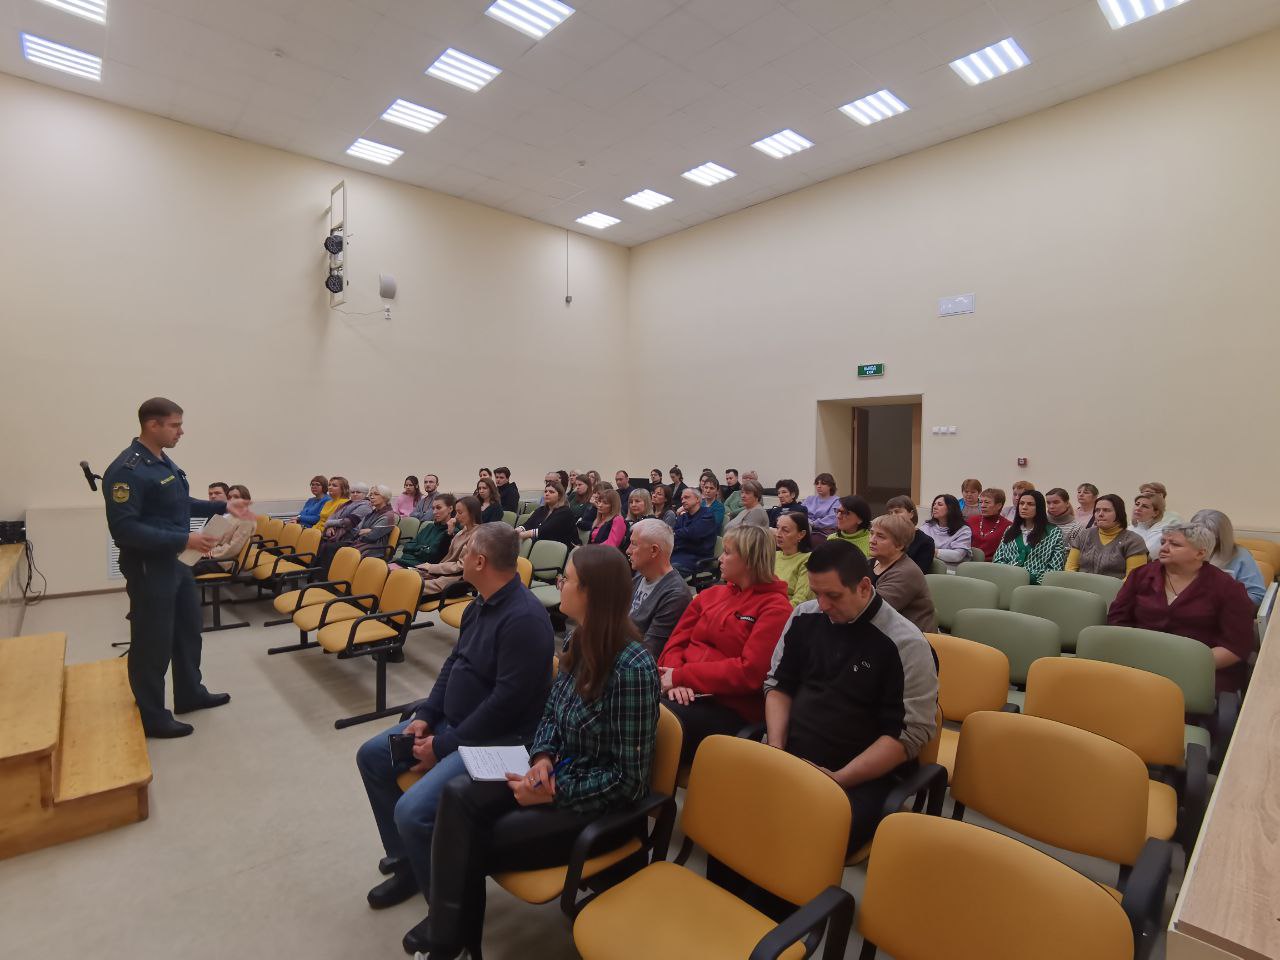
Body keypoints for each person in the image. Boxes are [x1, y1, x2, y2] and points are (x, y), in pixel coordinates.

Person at [413, 545, 659, 958]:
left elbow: (629, 781)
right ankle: (451, 937)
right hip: (556, 771)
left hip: (595, 806)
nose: (560, 585)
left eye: (568, 579)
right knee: (458, 795)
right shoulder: (579, 639)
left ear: (591, 593)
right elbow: (550, 714)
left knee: (473, 839)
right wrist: (542, 757)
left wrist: (555, 792)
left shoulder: (632, 667)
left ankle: (448, 942)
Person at [356, 523, 555, 946]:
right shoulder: (479, 604)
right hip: (453, 724)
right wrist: (428, 715)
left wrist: (443, 746)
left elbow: (505, 704)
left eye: (465, 554)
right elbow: (454, 664)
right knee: (372, 755)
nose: (459, 557)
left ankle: (449, 916)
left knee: (413, 811)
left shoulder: (524, 619)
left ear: (480, 561)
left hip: (500, 742)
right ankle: (410, 865)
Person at [764, 539, 938, 854]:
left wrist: (839, 778)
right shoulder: (805, 616)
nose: (822, 605)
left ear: (864, 587)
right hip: (790, 754)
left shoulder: (906, 644)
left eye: (833, 595)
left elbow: (908, 734)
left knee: (796, 837)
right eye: (816, 593)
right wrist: (776, 748)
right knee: (737, 808)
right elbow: (779, 685)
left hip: (861, 775)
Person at [102, 397, 248, 738]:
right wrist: (185, 539)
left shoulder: (162, 461)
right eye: (175, 425)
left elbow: (181, 503)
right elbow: (124, 529)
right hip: (150, 566)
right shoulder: (127, 471)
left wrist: (222, 506)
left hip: (178, 562)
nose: (181, 432)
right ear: (152, 425)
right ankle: (153, 715)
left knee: (188, 630)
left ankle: (190, 692)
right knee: (152, 641)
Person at [659, 525, 792, 765]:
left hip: (728, 708)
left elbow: (750, 673)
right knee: (624, 702)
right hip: (683, 692)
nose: (720, 558)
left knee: (651, 719)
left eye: (728, 552)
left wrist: (683, 676)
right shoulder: (711, 595)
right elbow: (676, 641)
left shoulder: (775, 608)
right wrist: (674, 677)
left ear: (749, 560)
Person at [1108, 522, 1254, 693]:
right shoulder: (1140, 575)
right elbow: (1118, 620)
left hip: (1198, 670)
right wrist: (1135, 656)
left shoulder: (1227, 588)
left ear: (1200, 553)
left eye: (1175, 544)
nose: (1164, 548)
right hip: (1139, 663)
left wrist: (1180, 665)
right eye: (1163, 542)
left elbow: (1235, 646)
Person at [626, 518, 694, 658]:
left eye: (634, 544)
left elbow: (648, 653)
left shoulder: (675, 596)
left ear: (654, 550)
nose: (628, 550)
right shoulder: (640, 577)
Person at [868, 514, 936, 632]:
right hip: (881, 632)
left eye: (880, 536)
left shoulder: (907, 573)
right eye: (871, 533)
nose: (872, 540)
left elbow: (871, 610)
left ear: (899, 545)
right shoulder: (870, 562)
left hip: (910, 638)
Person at [1193, 509, 1267, 607]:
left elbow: (1257, 596)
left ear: (1221, 537)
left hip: (1225, 609)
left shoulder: (1240, 555)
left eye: (1209, 537)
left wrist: (1224, 598)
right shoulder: (1184, 552)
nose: (1203, 541)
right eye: (1197, 536)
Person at [1066, 494, 1148, 580]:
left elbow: (1132, 578)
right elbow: (1070, 568)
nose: (1100, 514)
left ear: (1119, 513)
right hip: (1080, 586)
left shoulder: (1134, 541)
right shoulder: (1084, 535)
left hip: (1117, 588)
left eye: (1106, 510)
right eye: (1097, 510)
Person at [992, 489, 1067, 584]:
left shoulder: (1053, 532)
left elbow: (1055, 568)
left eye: (1030, 504)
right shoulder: (1010, 530)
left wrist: (1031, 580)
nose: (1024, 507)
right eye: (1021, 503)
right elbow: (998, 560)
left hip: (1036, 587)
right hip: (1007, 582)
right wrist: (1010, 576)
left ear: (1039, 508)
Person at [417, 497, 482, 597]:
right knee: (407, 578)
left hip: (457, 580)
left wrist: (432, 567)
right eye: (456, 512)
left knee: (413, 586)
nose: (456, 517)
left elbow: (461, 566)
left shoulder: (477, 536)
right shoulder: (462, 532)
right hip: (445, 574)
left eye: (460, 512)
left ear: (472, 513)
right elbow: (447, 555)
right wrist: (449, 533)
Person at [193, 484, 257, 577]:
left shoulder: (246, 520)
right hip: (211, 555)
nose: (232, 500)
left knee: (183, 568)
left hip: (224, 562)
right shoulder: (228, 515)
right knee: (180, 560)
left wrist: (211, 552)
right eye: (229, 497)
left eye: (236, 497)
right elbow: (211, 536)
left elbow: (234, 547)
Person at [392, 494, 456, 569]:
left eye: (438, 508)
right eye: (433, 508)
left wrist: (416, 550)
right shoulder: (429, 526)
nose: (434, 512)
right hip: (407, 562)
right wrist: (423, 549)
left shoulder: (450, 533)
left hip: (422, 568)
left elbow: (432, 557)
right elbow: (407, 546)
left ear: (450, 509)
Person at [317, 481, 373, 567]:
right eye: (352, 492)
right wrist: (329, 527)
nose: (355, 494)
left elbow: (348, 522)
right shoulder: (347, 503)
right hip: (337, 533)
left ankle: (325, 573)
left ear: (365, 494)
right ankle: (314, 570)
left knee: (328, 547)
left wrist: (329, 523)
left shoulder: (365, 506)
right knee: (318, 542)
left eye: (358, 492)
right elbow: (332, 516)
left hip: (349, 536)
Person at [515, 481, 578, 552]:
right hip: (543, 546)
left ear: (559, 496)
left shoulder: (565, 512)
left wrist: (522, 535)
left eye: (551, 492)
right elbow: (528, 524)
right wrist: (518, 530)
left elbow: (545, 530)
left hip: (561, 549)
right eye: (545, 491)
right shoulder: (541, 510)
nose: (547, 494)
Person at [670, 487, 718, 577]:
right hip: (679, 555)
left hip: (697, 559)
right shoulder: (682, 517)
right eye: (682, 499)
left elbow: (693, 533)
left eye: (686, 497)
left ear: (697, 499)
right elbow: (674, 535)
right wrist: (677, 534)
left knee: (667, 571)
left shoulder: (708, 515)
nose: (683, 501)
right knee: (655, 564)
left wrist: (677, 533)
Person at [920, 494, 972, 571]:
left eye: (940, 504)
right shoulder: (927, 526)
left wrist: (931, 551)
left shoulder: (964, 530)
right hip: (928, 568)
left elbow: (957, 556)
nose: (934, 507)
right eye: (934, 504)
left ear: (951, 508)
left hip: (951, 571)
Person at [884, 496, 934, 575]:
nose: (893, 516)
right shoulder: (888, 537)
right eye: (890, 513)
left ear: (911, 514)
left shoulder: (926, 542)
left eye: (897, 512)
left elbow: (918, 573)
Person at [774, 511, 814, 606]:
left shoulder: (808, 559)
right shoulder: (773, 555)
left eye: (785, 530)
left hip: (787, 610)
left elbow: (801, 600)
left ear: (801, 534)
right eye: (777, 528)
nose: (778, 534)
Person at [966, 488, 1011, 562]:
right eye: (980, 502)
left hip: (992, 565)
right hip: (968, 562)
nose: (982, 505)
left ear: (999, 505)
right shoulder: (971, 521)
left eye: (987, 502)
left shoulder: (1008, 526)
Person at [355, 485, 399, 559]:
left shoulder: (388, 516)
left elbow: (371, 537)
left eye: (376, 494)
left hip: (374, 549)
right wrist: (369, 530)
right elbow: (357, 529)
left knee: (346, 553)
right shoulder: (372, 512)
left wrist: (368, 531)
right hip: (363, 544)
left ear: (385, 497)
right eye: (371, 494)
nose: (372, 497)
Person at [1130, 491, 1172, 556]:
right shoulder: (1129, 528)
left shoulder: (1162, 531)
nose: (1138, 508)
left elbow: (1145, 554)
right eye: (1137, 504)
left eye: (1145, 506)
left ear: (1156, 513)